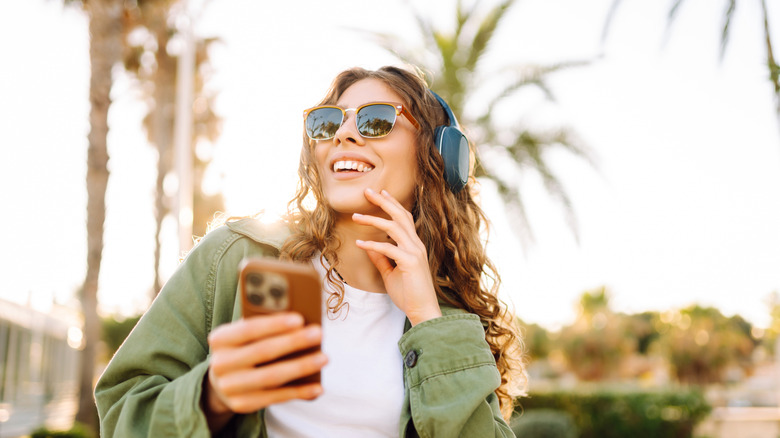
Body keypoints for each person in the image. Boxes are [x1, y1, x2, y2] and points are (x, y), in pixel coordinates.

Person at [95, 65, 525, 437]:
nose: (344, 134)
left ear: (435, 155)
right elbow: (121, 412)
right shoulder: (236, 257)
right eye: (327, 123)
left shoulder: (445, 316)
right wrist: (211, 396)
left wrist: (427, 317)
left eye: (375, 121)